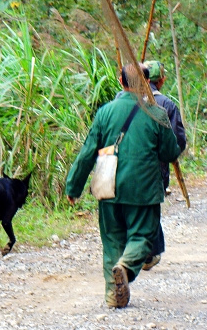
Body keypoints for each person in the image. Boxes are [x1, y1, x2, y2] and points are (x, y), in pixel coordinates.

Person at [66, 63, 180, 308]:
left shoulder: (105, 112)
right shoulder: (158, 114)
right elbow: (170, 152)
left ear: (121, 81)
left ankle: (112, 295)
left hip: (109, 186)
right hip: (144, 188)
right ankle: (126, 267)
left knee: (112, 240)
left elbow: (87, 153)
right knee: (143, 235)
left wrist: (73, 187)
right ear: (147, 83)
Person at [142, 60, 187, 271]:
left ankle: (139, 250)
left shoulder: (122, 99)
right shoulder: (167, 105)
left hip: (123, 166)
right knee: (150, 208)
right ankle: (148, 252)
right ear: (161, 81)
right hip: (155, 169)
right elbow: (178, 141)